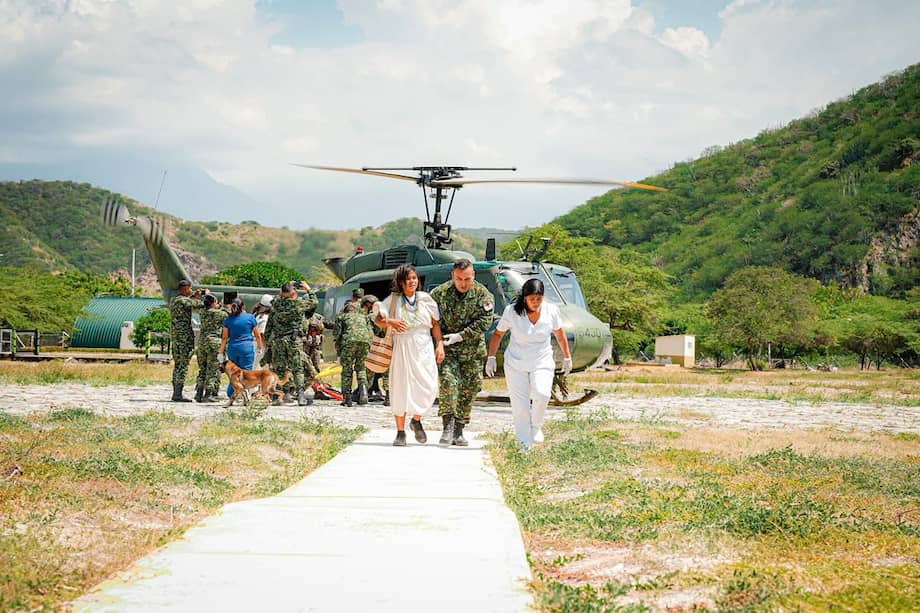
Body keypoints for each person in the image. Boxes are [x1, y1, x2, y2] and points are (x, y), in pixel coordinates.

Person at [485, 278, 572, 451]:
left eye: (539, 299)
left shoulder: (551, 311)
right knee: (520, 406)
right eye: (532, 299)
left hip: (542, 361)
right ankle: (524, 445)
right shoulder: (512, 311)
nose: (536, 302)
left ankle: (536, 425)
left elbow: (560, 335)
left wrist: (567, 357)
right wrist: (491, 357)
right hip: (516, 363)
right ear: (525, 297)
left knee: (542, 394)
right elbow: (498, 334)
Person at [374, 264, 445, 446]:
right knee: (400, 387)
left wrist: (440, 344)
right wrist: (391, 322)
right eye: (408, 279)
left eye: (414, 278)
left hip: (423, 346)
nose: (412, 281)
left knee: (428, 385)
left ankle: (416, 419)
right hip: (402, 346)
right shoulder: (393, 300)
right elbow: (378, 319)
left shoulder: (425, 299)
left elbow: (435, 324)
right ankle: (400, 432)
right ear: (401, 282)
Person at [430, 258, 493, 446]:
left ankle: (459, 430)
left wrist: (461, 336)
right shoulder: (439, 294)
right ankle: (447, 427)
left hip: (472, 351)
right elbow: (431, 320)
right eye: (459, 279)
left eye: (467, 279)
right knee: (448, 383)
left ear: (473, 275)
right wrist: (438, 343)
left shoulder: (483, 295)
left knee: (469, 389)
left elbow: (485, 322)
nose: (463, 283)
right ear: (453, 276)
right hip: (448, 349)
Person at [264, 281, 317, 406]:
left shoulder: (276, 304)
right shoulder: (298, 303)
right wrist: (308, 288)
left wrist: (268, 342)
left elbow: (269, 326)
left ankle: (278, 396)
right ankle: (301, 396)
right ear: (293, 293)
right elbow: (314, 302)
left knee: (279, 369)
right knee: (297, 368)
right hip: (294, 340)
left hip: (278, 340)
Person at [219, 299, 264, 401]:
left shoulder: (228, 319)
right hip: (246, 348)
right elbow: (257, 335)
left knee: (233, 373)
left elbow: (224, 338)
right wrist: (259, 347)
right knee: (247, 372)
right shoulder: (250, 317)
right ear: (243, 307)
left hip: (232, 348)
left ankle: (231, 393)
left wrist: (221, 352)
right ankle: (245, 394)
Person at [169, 279, 204, 402]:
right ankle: (178, 393)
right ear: (185, 289)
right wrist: (202, 297)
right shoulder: (183, 301)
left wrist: (194, 295)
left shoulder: (175, 300)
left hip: (177, 337)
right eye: (190, 288)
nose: (191, 290)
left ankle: (176, 392)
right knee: (182, 365)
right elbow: (199, 305)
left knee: (178, 365)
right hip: (184, 338)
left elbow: (189, 301)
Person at [333, 301, 372, 406]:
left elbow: (337, 334)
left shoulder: (342, 317)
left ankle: (347, 398)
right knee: (361, 367)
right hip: (365, 341)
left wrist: (338, 346)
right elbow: (370, 332)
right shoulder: (363, 317)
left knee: (347, 369)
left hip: (349, 341)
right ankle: (363, 393)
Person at [195, 293, 227, 402]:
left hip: (202, 343)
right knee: (213, 369)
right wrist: (223, 305)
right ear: (213, 303)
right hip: (214, 343)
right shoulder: (220, 313)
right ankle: (208, 394)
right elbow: (228, 314)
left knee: (202, 369)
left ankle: (199, 393)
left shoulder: (202, 312)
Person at [361, 295, 388, 404]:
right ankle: (388, 396)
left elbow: (368, 333)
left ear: (368, 305)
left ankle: (364, 393)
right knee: (386, 370)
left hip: (373, 346)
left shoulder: (369, 317)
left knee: (369, 369)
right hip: (386, 346)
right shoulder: (387, 315)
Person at [252, 294, 273, 365]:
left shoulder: (255, 314)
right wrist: (266, 347)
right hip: (258, 344)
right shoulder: (265, 318)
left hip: (252, 342)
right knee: (257, 367)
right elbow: (261, 335)